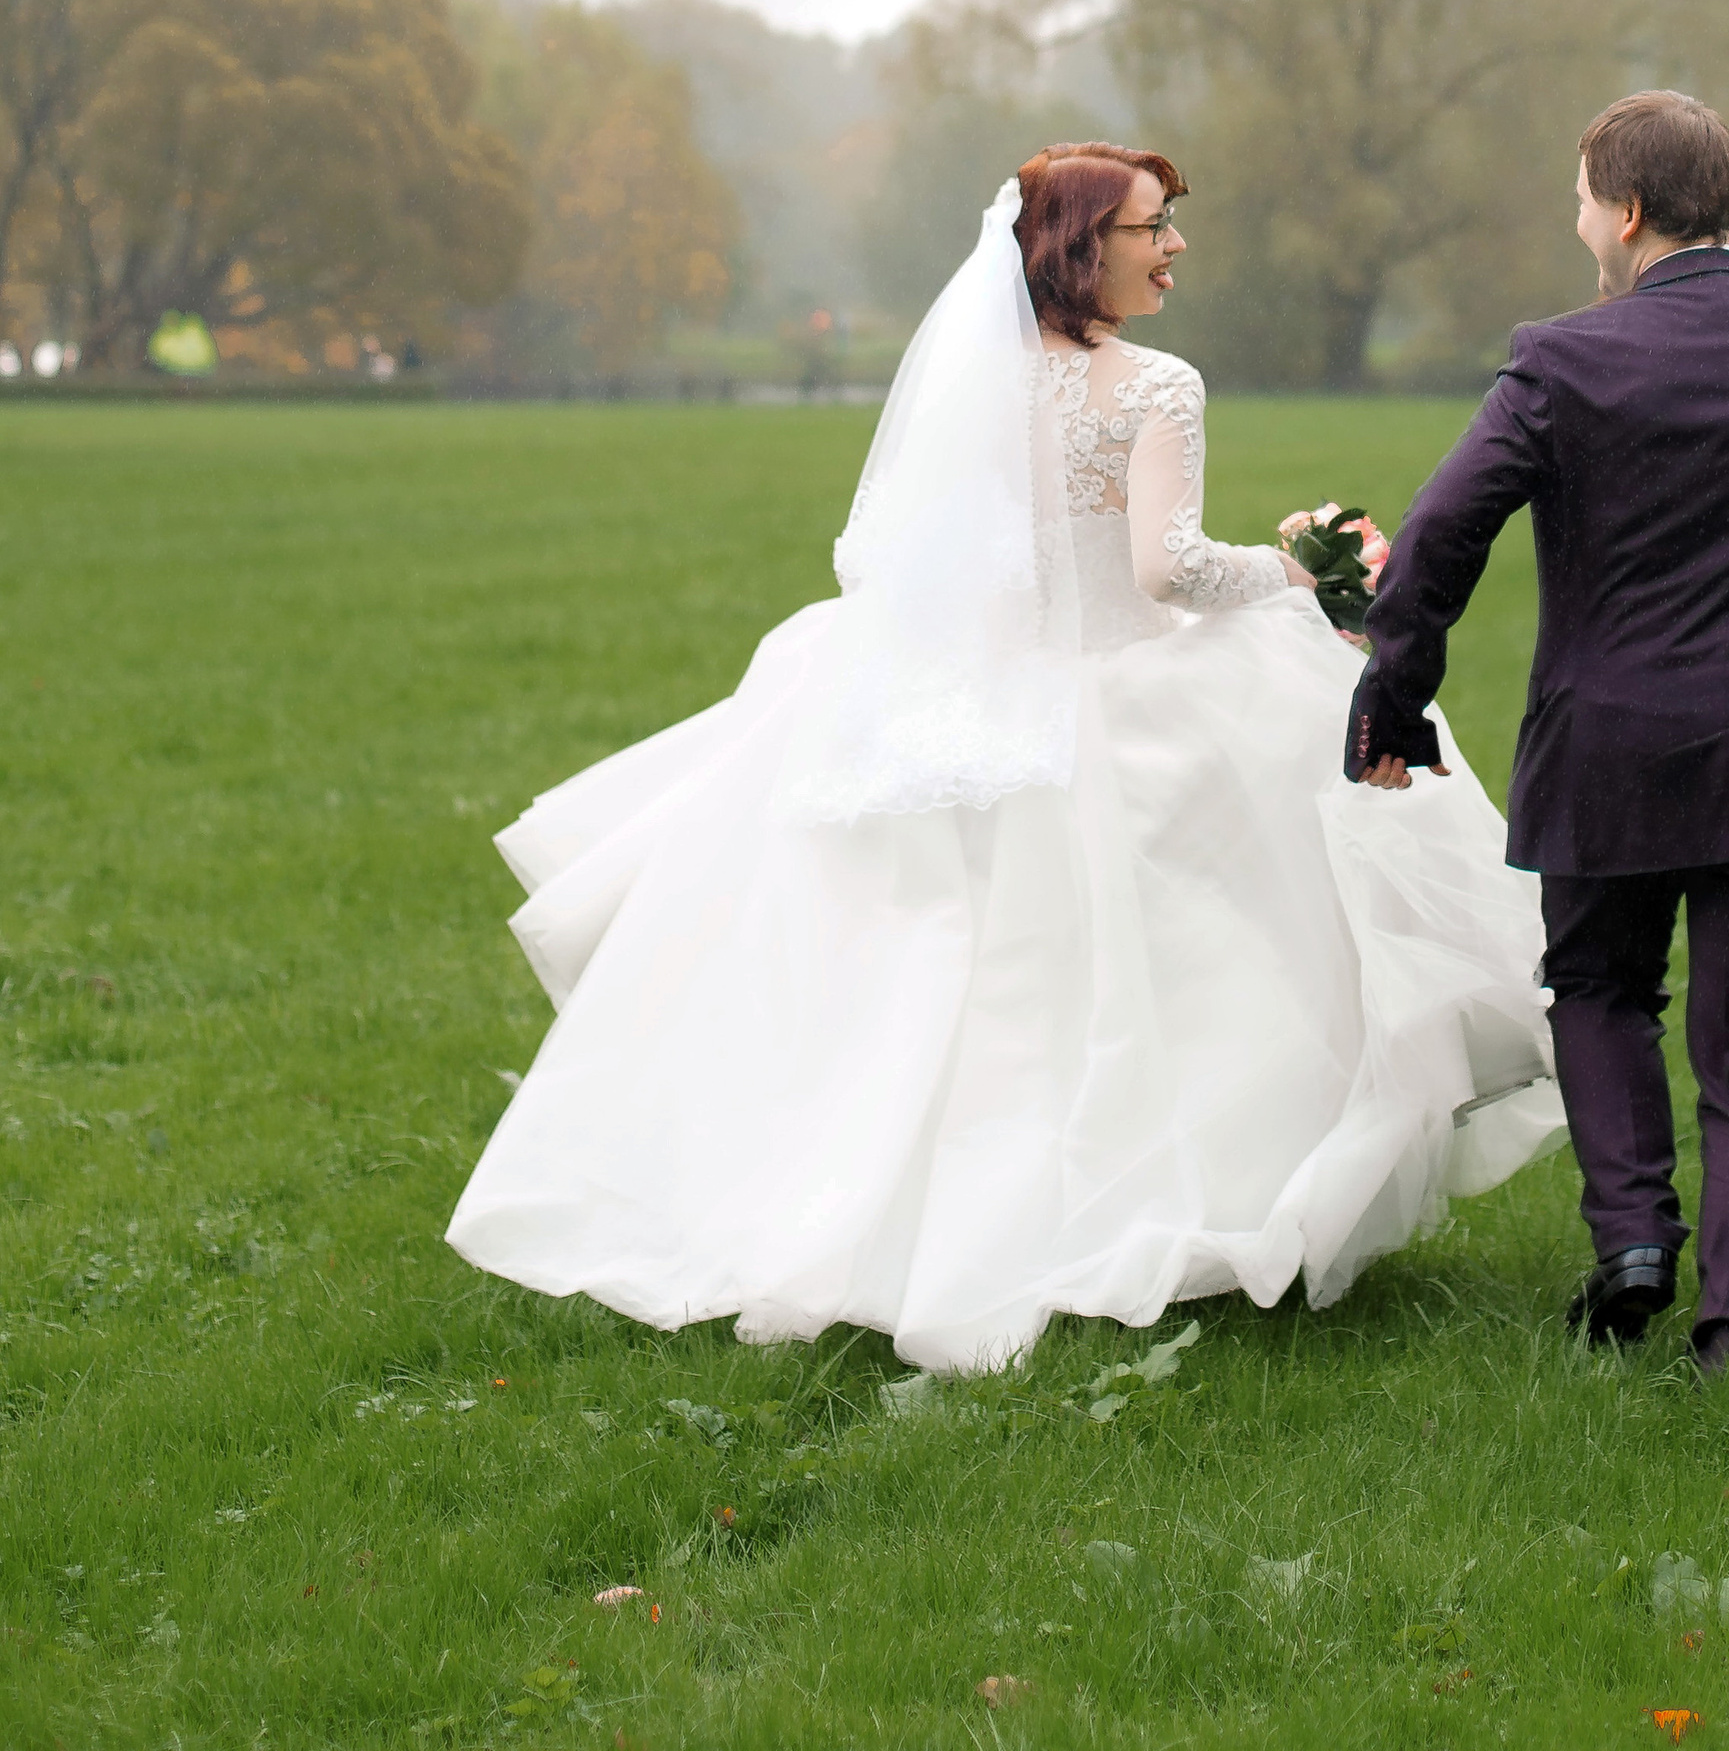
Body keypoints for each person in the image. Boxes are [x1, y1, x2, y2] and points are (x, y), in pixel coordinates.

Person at [448, 143, 1560, 1372]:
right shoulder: (1157, 384)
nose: (1175, 246)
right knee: (1184, 964)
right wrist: (1297, 567)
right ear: (1082, 246)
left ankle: (897, 1219)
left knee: (952, 984)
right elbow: (1167, 571)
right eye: (1151, 226)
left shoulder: (970, 381)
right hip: (1122, 689)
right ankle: (1162, 1201)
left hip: (972, 698)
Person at [1345, 91, 1729, 1378]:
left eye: (1578, 200)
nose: (1576, 223)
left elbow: (1438, 535)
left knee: (1600, 988)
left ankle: (1632, 1238)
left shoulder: (1562, 359)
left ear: (1625, 211)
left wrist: (1394, 687)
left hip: (1605, 748)